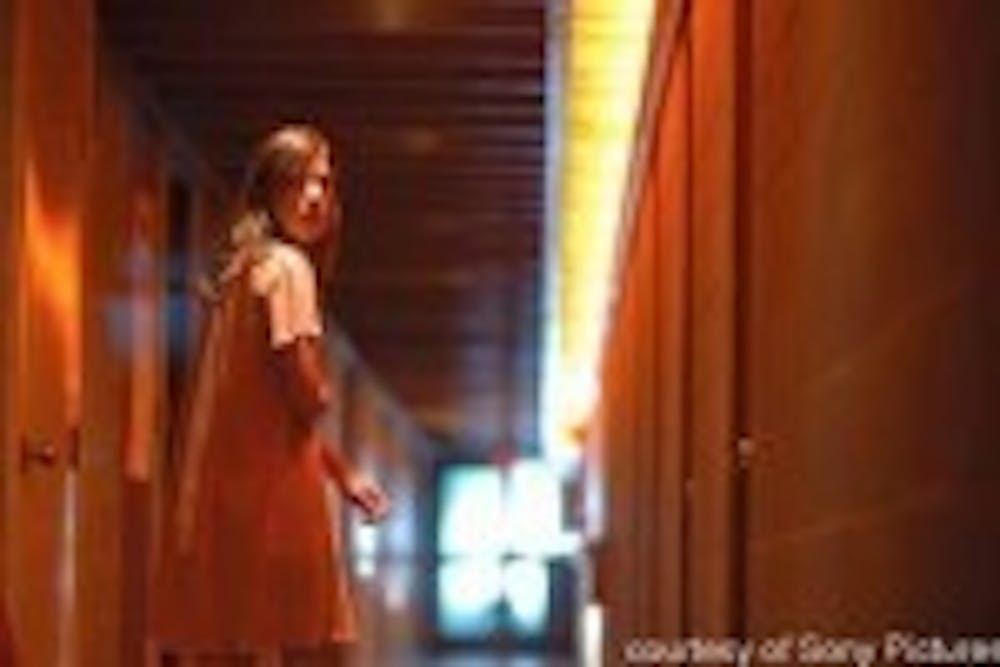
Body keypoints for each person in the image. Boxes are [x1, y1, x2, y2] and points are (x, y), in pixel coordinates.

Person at [155, 124, 390, 666]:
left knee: (230, 641)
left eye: (323, 183)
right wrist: (322, 393)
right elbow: (300, 389)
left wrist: (343, 473)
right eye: (297, 182)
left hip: (225, 490)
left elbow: (271, 404)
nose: (314, 196)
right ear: (267, 191)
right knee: (304, 639)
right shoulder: (287, 267)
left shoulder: (238, 271)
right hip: (276, 490)